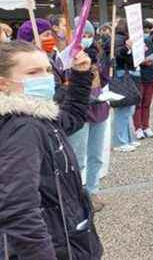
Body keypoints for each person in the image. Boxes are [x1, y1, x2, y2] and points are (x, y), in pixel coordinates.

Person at [0, 41, 103, 258]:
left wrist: (81, 75)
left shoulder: (37, 117)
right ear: (3, 84)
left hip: (65, 234)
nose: (45, 78)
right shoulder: (23, 128)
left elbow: (71, 118)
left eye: (47, 70)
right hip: (54, 244)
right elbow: (18, 209)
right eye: (33, 72)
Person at [67, 18, 111, 213]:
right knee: (78, 156)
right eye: (82, 35)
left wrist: (109, 66)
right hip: (80, 111)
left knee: (96, 155)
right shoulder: (68, 56)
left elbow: (105, 80)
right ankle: (75, 195)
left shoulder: (99, 54)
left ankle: (92, 190)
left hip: (99, 107)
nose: (86, 39)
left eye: (89, 35)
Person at [110, 19, 140, 152]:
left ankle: (127, 139)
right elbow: (116, 55)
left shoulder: (121, 39)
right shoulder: (118, 40)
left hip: (124, 74)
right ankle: (120, 141)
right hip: (120, 75)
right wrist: (126, 48)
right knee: (123, 110)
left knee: (128, 110)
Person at [133, 20, 153, 140]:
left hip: (150, 75)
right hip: (139, 75)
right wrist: (143, 61)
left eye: (148, 30)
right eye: (144, 30)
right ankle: (138, 128)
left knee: (147, 103)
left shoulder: (148, 40)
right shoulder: (133, 41)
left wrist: (152, 60)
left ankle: (146, 126)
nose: (146, 32)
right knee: (138, 103)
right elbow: (132, 59)